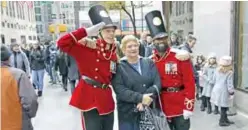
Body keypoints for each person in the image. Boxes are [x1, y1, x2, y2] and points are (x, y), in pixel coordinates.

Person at [57, 5, 118, 130]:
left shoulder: (113, 54)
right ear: (99, 33)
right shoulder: (87, 49)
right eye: (107, 31)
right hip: (89, 99)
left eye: (113, 31)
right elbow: (62, 43)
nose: (111, 34)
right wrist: (86, 32)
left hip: (106, 100)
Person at [145, 10, 196, 130]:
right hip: (161, 106)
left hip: (179, 105)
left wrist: (189, 106)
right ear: (153, 41)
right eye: (157, 39)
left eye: (163, 38)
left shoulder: (179, 56)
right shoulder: (150, 60)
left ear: (168, 39)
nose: (161, 41)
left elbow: (189, 82)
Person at [111, 35, 161, 130]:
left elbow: (157, 83)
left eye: (135, 45)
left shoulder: (149, 62)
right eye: (129, 46)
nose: (133, 48)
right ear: (123, 49)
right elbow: (120, 90)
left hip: (149, 109)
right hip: (128, 113)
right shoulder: (119, 66)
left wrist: (145, 100)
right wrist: (141, 98)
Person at [1, 44, 38, 130]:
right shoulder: (19, 75)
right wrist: (29, 115)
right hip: (17, 121)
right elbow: (30, 100)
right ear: (9, 58)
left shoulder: (22, 56)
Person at [210, 56, 235, 126]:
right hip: (224, 91)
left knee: (222, 105)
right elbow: (229, 84)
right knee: (224, 106)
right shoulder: (229, 72)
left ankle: (225, 119)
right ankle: (222, 121)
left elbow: (213, 80)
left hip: (216, 89)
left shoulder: (217, 70)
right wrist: (232, 92)